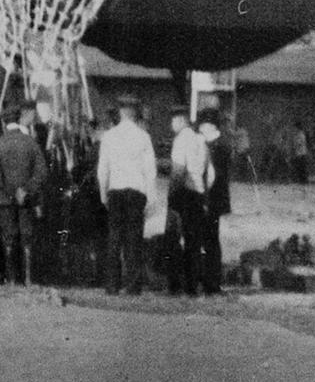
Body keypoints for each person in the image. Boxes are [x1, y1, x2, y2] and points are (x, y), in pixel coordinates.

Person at [96, 98, 157, 297]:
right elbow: (150, 170)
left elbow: (103, 168)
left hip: (115, 189)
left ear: (120, 113)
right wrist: (151, 196)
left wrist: (103, 193)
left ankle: (112, 284)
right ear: (135, 113)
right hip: (136, 191)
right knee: (134, 238)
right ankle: (132, 285)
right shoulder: (144, 137)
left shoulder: (109, 136)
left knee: (114, 238)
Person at [0, 103, 47, 286]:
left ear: (4, 123)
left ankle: (12, 279)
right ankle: (28, 279)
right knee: (27, 237)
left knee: (9, 237)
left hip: (5, 199)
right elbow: (42, 172)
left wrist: (10, 191)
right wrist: (26, 189)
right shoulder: (30, 142)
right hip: (26, 199)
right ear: (19, 119)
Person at [165, 110, 211, 298]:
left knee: (173, 238)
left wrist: (171, 195)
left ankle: (174, 284)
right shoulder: (201, 140)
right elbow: (207, 171)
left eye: (173, 121)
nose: (171, 125)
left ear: (180, 120)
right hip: (198, 193)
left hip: (184, 192)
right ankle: (192, 285)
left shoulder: (181, 139)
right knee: (193, 242)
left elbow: (178, 170)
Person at [197, 113, 231, 297]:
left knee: (208, 241)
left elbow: (211, 177)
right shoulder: (220, 146)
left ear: (209, 126)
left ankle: (210, 282)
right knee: (211, 240)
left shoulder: (214, 147)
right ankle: (211, 281)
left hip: (209, 200)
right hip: (215, 201)